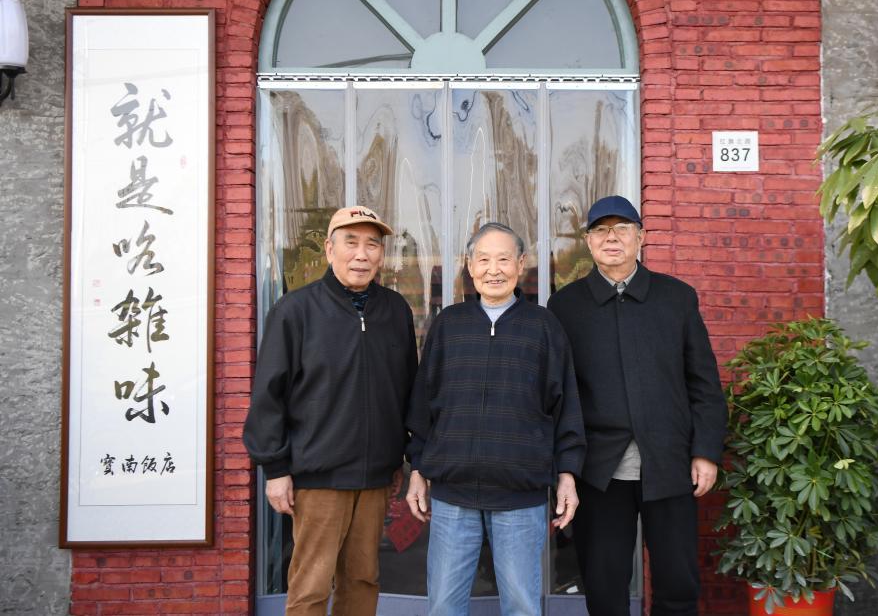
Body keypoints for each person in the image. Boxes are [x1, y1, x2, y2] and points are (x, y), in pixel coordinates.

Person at [547, 196, 728, 616]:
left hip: (670, 462)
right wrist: (564, 466)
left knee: (678, 582)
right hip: (599, 469)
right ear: (588, 242)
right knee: (604, 584)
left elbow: (704, 384)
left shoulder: (676, 298)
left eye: (622, 228)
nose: (611, 238)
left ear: (641, 237)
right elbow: (558, 394)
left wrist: (705, 451)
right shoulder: (566, 307)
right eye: (601, 230)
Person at [243, 205, 418, 616]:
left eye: (372, 244)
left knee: (363, 580)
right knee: (311, 585)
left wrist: (400, 457)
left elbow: (407, 389)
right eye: (350, 242)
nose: (361, 254)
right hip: (318, 476)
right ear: (329, 249)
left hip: (375, 477)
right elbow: (269, 396)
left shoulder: (395, 310)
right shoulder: (295, 310)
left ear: (381, 254)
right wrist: (275, 469)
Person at [405, 222, 586, 616]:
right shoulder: (448, 325)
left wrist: (568, 474)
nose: (494, 269)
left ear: (520, 265)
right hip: (452, 496)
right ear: (470, 266)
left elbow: (566, 406)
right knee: (443, 607)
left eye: (504, 259)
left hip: (520, 497)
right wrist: (417, 468)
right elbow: (422, 405)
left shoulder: (544, 327)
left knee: (522, 606)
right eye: (484, 259)